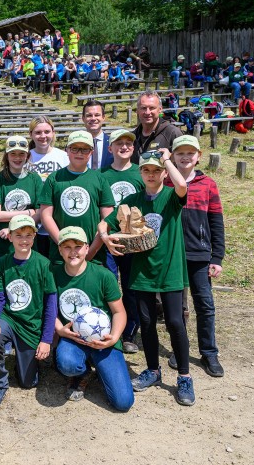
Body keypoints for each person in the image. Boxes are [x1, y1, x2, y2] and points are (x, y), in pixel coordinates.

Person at [99, 147, 194, 406]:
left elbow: (182, 184)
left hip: (170, 269)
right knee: (147, 322)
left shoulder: (172, 197)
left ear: (164, 172)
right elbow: (106, 222)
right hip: (142, 271)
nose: (151, 175)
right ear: (140, 173)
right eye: (146, 170)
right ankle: (153, 370)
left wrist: (166, 158)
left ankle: (184, 376)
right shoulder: (134, 200)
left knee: (175, 322)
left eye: (156, 170)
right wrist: (106, 237)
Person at [52, 226, 134, 412]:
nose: (73, 252)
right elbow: (48, 310)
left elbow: (119, 312)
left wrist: (113, 338)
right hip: (74, 339)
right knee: (66, 364)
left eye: (78, 246)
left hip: (103, 341)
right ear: (59, 250)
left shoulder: (103, 275)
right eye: (67, 247)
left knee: (123, 403)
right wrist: (59, 329)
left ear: (87, 248)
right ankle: (82, 372)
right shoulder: (54, 274)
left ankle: (100, 364)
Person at [0, 215, 58, 410]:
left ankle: (25, 362)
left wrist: (46, 339)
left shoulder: (44, 264)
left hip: (31, 324)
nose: (24, 240)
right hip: (10, 318)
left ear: (34, 236)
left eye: (28, 235)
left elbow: (50, 304)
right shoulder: (3, 263)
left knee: (27, 382)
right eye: (19, 235)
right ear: (11, 237)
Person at [164, 135, 225, 377]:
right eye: (180, 153)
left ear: (199, 156)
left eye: (190, 153)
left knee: (205, 305)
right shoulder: (166, 182)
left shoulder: (208, 184)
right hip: (173, 255)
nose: (185, 157)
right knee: (177, 308)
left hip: (199, 255)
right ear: (173, 156)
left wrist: (216, 257)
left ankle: (209, 352)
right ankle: (180, 349)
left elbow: (216, 222)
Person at [99, 129, 144, 354]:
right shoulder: (102, 175)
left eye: (128, 143)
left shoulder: (140, 173)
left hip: (133, 241)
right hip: (109, 239)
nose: (124, 147)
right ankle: (107, 328)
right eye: (119, 144)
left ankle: (129, 334)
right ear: (110, 148)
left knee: (131, 287)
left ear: (133, 148)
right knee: (108, 284)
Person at [40, 130, 115, 265]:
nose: (79, 153)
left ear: (91, 152)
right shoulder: (54, 178)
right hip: (61, 255)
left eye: (85, 149)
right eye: (75, 149)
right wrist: (64, 245)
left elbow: (107, 219)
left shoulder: (100, 179)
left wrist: (91, 250)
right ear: (67, 150)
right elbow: (46, 216)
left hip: (93, 254)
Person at [0, 135, 44, 264]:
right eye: (13, 154)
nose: (17, 158)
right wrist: (28, 212)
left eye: (21, 154)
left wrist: (13, 229)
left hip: (27, 242)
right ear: (7, 156)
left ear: (27, 156)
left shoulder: (35, 179)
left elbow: (40, 213)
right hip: (3, 242)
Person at [26, 116, 69, 258]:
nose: (43, 136)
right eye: (38, 132)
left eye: (46, 131)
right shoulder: (25, 157)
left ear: (53, 132)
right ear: (31, 134)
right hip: (33, 224)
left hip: (58, 222)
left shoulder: (63, 157)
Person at [132, 90, 183, 163]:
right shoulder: (133, 137)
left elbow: (184, 163)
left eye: (152, 108)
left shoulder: (172, 133)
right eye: (143, 108)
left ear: (160, 109)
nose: (147, 112)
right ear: (137, 110)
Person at [81, 100, 113, 170]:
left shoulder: (113, 144)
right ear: (83, 118)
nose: (93, 118)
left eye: (97, 115)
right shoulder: (75, 144)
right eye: (89, 115)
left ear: (103, 117)